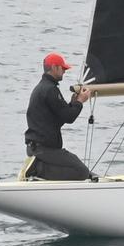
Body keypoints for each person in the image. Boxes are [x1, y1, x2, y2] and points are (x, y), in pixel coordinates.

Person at [25, 52, 94, 181]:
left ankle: (40, 169)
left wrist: (73, 103)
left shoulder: (43, 88)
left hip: (37, 148)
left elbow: (59, 118)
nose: (64, 71)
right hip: (44, 150)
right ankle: (37, 169)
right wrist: (80, 102)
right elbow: (69, 118)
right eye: (62, 68)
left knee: (81, 169)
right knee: (82, 172)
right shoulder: (50, 90)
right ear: (54, 67)